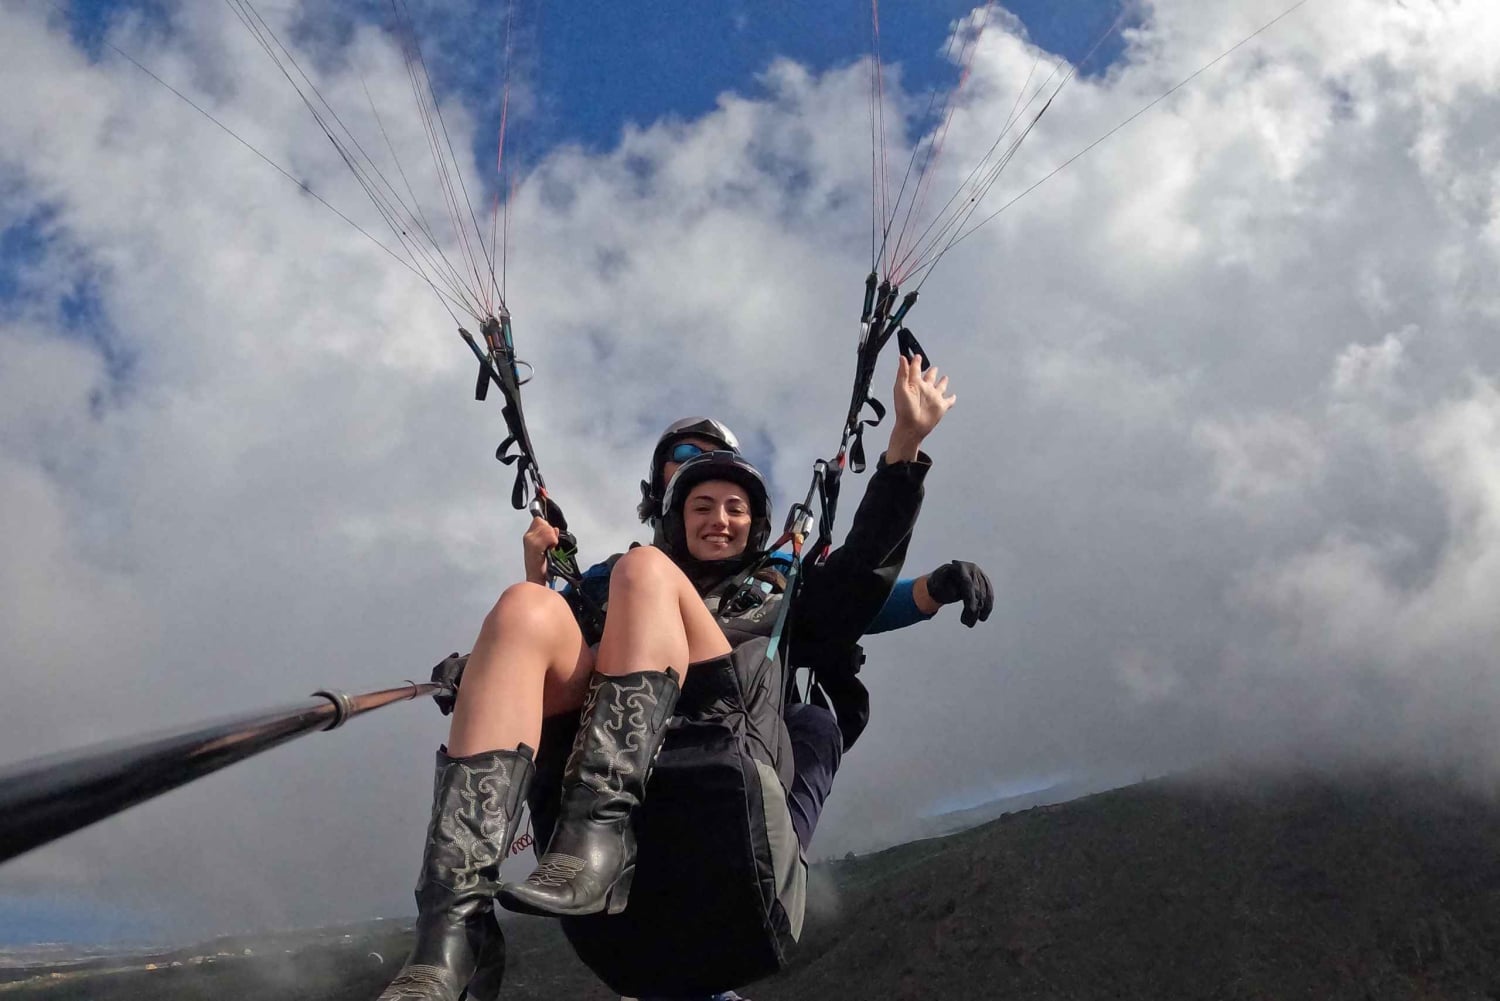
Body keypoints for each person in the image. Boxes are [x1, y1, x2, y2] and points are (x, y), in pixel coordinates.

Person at [376, 355, 954, 1001]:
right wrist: (488, 664)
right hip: (614, 919)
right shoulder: (609, 587)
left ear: (756, 524)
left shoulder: (776, 592)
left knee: (645, 571)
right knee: (522, 607)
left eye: (734, 506)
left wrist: (905, 450)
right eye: (700, 502)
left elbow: (860, 585)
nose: (718, 518)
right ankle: (454, 932)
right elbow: (547, 646)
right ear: (672, 508)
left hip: (727, 803)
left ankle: (600, 836)